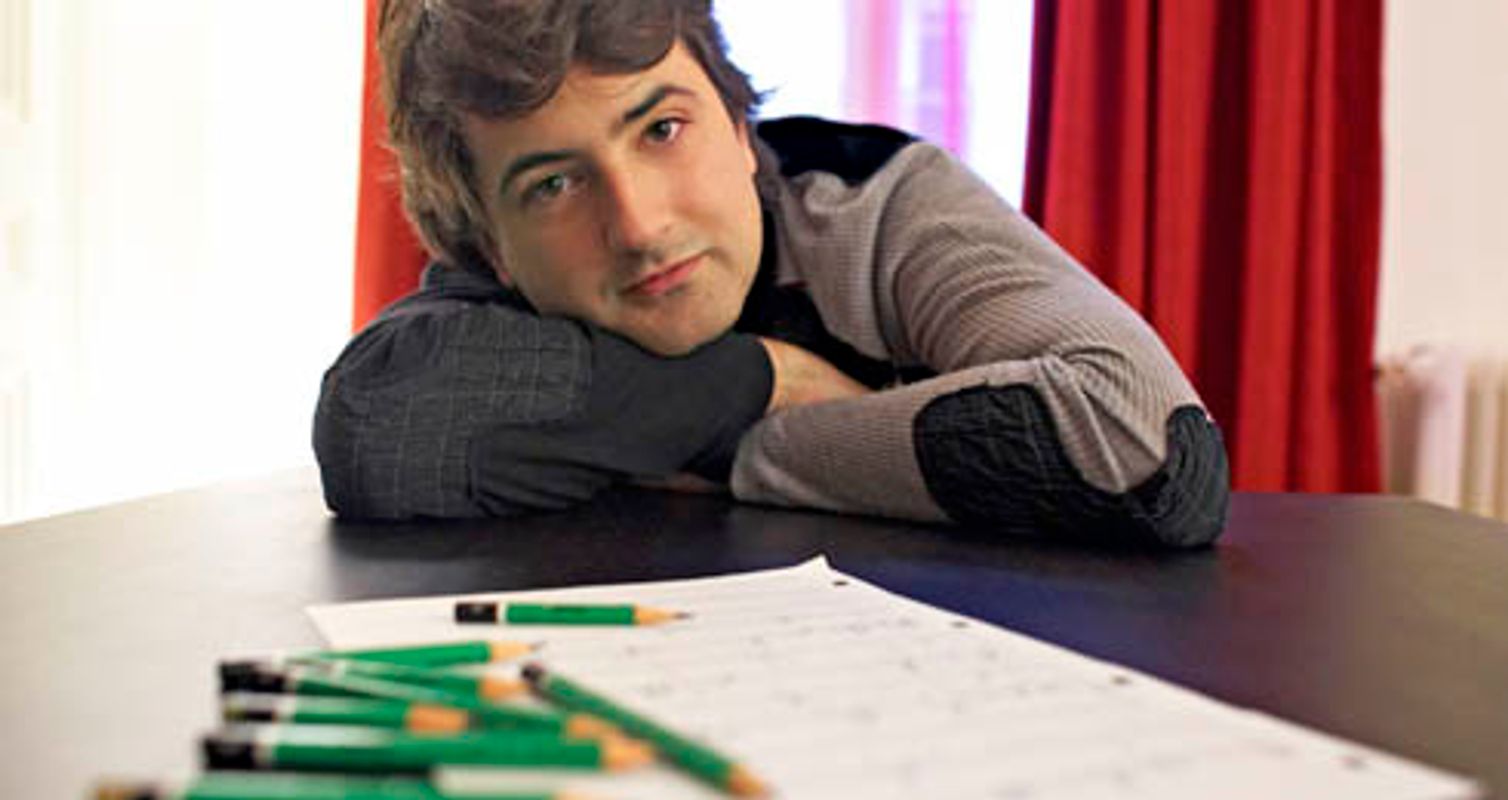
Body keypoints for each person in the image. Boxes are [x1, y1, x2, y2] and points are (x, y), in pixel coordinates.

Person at [313, 0, 1230, 547]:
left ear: (739, 124)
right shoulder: (500, 290)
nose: (639, 226)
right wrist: (766, 380)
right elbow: (378, 431)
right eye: (554, 184)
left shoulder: (878, 207)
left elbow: (1151, 449)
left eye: (662, 128)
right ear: (491, 248)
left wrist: (749, 448)